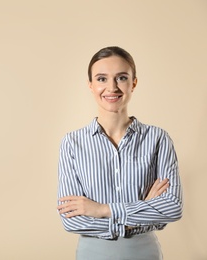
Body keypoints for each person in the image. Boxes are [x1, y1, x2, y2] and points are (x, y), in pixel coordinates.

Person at [56, 46, 183, 260]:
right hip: (92, 254)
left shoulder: (158, 139)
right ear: (91, 85)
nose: (112, 87)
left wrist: (102, 210)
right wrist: (144, 210)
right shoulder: (72, 143)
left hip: (145, 253)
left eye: (121, 78)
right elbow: (72, 220)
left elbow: (172, 208)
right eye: (102, 79)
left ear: (133, 83)